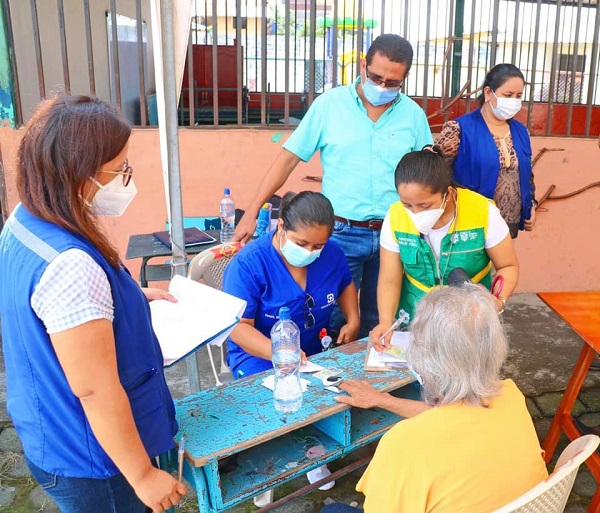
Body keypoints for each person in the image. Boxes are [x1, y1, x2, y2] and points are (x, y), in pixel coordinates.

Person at [0, 95, 187, 513]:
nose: (126, 177)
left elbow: (53, 312)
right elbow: (94, 388)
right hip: (93, 459)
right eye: (120, 168)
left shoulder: (26, 219)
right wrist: (142, 475)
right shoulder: (70, 266)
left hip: (46, 428)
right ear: (80, 174)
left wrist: (130, 297)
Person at [233, 34, 433, 338]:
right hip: (339, 236)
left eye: (392, 82)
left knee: (383, 321)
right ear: (363, 65)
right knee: (335, 323)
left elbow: (427, 175)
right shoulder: (329, 105)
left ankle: (375, 385)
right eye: (376, 76)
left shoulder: (414, 116)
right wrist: (251, 212)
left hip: (395, 233)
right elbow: (287, 161)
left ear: (405, 78)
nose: (381, 86)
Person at [323, 285, 548, 512]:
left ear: (425, 359)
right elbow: (453, 419)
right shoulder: (511, 396)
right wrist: (384, 400)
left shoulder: (403, 443)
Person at [222, 191, 360, 494]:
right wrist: (279, 353)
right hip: (257, 354)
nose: (311, 252)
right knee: (279, 401)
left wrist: (352, 319)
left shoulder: (332, 254)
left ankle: (313, 449)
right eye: (302, 244)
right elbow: (238, 329)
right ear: (281, 226)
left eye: (318, 246)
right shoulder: (249, 264)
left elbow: (346, 283)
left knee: (330, 392)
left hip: (312, 350)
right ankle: (266, 471)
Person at [369, 146, 519, 346]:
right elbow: (390, 279)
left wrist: (498, 300)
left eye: (425, 206)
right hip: (416, 319)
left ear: (448, 193)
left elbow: (507, 266)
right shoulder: (395, 216)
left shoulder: (482, 211)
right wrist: (386, 322)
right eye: (407, 205)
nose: (415, 213)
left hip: (469, 320)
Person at [436, 63, 537, 239]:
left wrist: (531, 204)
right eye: (508, 95)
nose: (513, 101)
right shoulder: (459, 129)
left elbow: (527, 172)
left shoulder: (521, 132)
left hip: (507, 226)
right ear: (488, 93)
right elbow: (437, 174)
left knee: (505, 266)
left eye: (518, 96)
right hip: (469, 224)